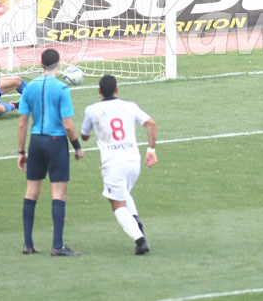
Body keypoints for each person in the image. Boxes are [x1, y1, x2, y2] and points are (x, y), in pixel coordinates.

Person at [17, 48, 85, 256]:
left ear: (41, 63)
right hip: (56, 143)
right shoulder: (62, 89)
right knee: (58, 193)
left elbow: (22, 124)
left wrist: (21, 151)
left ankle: (28, 244)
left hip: (36, 142)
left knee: (31, 192)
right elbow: (69, 125)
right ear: (59, 63)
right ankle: (57, 246)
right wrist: (77, 147)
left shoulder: (30, 88)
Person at [81, 75, 158, 255]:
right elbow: (151, 123)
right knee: (123, 193)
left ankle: (140, 240)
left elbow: (84, 135)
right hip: (133, 161)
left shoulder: (92, 110)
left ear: (99, 91)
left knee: (117, 204)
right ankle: (135, 220)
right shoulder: (130, 106)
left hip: (113, 163)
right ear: (117, 89)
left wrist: (91, 133)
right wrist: (151, 150)